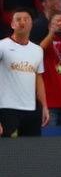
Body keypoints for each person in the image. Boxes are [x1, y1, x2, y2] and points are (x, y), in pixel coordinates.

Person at [0, 8, 49, 137]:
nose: (22, 22)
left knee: (31, 147)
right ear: (12, 24)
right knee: (7, 146)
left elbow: (39, 79)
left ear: (32, 23)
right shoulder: (2, 46)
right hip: (7, 108)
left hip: (31, 109)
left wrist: (44, 106)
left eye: (26, 19)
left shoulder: (37, 50)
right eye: (18, 19)